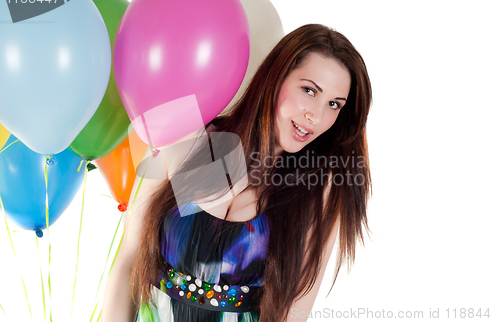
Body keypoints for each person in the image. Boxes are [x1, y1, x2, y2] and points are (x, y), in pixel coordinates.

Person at [101, 23, 372, 322]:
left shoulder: (319, 190)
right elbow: (128, 261)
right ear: (277, 77)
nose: (317, 116)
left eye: (334, 104)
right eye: (309, 90)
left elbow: (292, 312)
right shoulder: (187, 135)